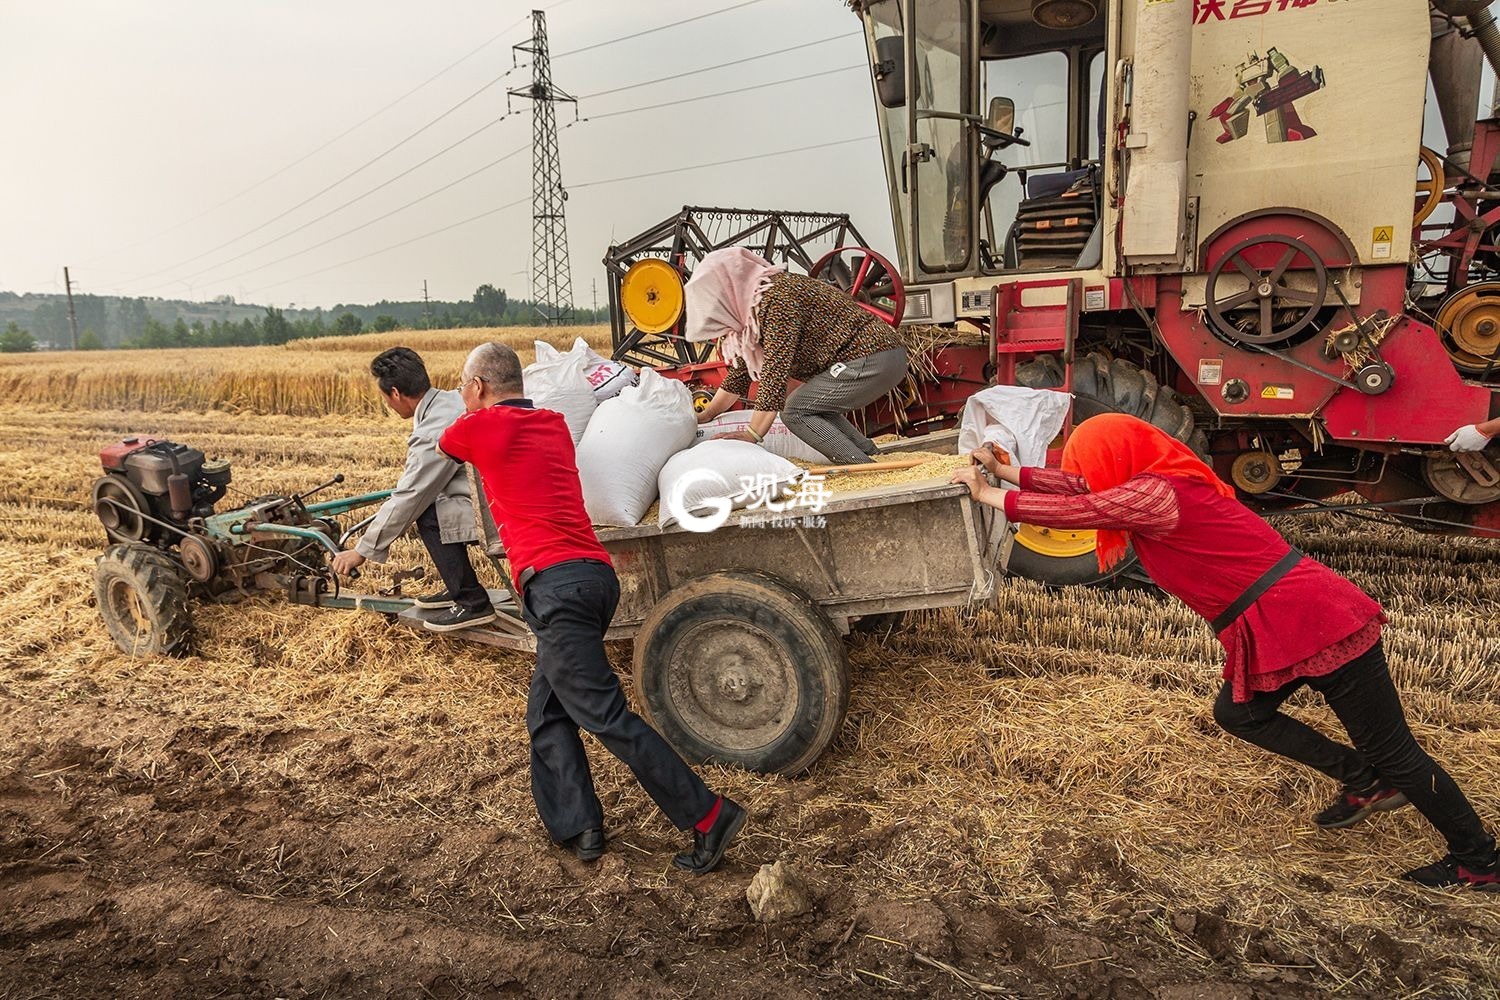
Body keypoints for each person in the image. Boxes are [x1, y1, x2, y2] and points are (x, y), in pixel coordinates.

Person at [951, 413, 1499, 890]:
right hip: (1276, 618)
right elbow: (1079, 487)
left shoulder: (1157, 493)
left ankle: (1480, 861)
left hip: (1314, 617)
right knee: (1239, 713)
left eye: (1094, 462)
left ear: (1119, 456)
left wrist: (988, 495)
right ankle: (1362, 778)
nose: (1089, 473)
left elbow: (1084, 507)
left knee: (1396, 753)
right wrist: (1004, 471)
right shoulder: (1146, 480)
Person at [438, 342, 746, 874]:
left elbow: (446, 440)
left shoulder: (481, 427)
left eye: (468, 386)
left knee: (606, 718)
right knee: (548, 709)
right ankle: (580, 825)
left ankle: (708, 815)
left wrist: (469, 402)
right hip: (594, 578)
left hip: (555, 589)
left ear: (480, 388)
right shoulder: (553, 423)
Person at [685, 247, 910, 465]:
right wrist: (707, 415)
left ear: (729, 288)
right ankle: (869, 454)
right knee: (813, 405)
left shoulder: (776, 300)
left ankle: (863, 467)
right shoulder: (755, 308)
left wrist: (753, 434)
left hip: (872, 356)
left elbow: (775, 372)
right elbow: (740, 375)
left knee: (795, 411)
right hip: (876, 356)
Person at [330, 347, 494, 633]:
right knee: (432, 502)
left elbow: (411, 496)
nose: (389, 405)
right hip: (493, 495)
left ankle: (472, 601)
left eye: (386, 399)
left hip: (495, 510)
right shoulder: (450, 400)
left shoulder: (433, 430)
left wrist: (361, 550)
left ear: (395, 393)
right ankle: (458, 588)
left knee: (428, 511)